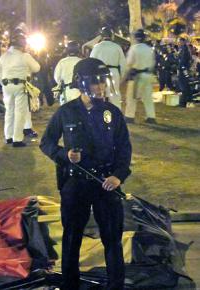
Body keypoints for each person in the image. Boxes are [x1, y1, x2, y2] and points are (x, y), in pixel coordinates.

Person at [40, 57, 132, 290]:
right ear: (81, 84)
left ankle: (115, 286)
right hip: (76, 183)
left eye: (103, 82)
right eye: (95, 83)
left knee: (112, 239)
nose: (101, 87)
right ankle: (70, 285)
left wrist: (118, 176)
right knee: (72, 238)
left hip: (106, 183)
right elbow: (47, 142)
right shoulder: (66, 112)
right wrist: (64, 155)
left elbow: (124, 148)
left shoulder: (112, 112)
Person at [0, 32, 40, 147]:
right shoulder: (24, 56)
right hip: (20, 86)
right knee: (20, 112)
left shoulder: (4, 56)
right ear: (22, 45)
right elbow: (37, 68)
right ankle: (17, 139)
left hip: (7, 87)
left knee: (9, 111)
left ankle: (8, 137)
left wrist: (3, 82)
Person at [90, 26, 126, 109]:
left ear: (102, 36)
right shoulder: (117, 47)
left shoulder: (97, 47)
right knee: (115, 96)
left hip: (100, 74)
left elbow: (91, 62)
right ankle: (117, 117)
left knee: (100, 96)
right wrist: (121, 77)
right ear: (112, 35)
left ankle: (101, 116)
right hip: (114, 73)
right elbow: (123, 64)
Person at [125, 29, 156, 124]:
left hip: (137, 76)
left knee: (131, 97)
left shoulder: (134, 48)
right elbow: (152, 63)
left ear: (135, 38)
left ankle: (129, 116)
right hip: (148, 75)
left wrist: (126, 74)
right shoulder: (149, 49)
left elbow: (129, 63)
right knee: (148, 97)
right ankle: (151, 117)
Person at [177, 38, 192, 107]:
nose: (178, 43)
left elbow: (182, 62)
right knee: (185, 86)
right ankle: (186, 101)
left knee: (183, 87)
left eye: (179, 42)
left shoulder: (184, 50)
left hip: (183, 71)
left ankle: (182, 103)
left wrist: (180, 69)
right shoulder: (184, 49)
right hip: (184, 70)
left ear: (182, 42)